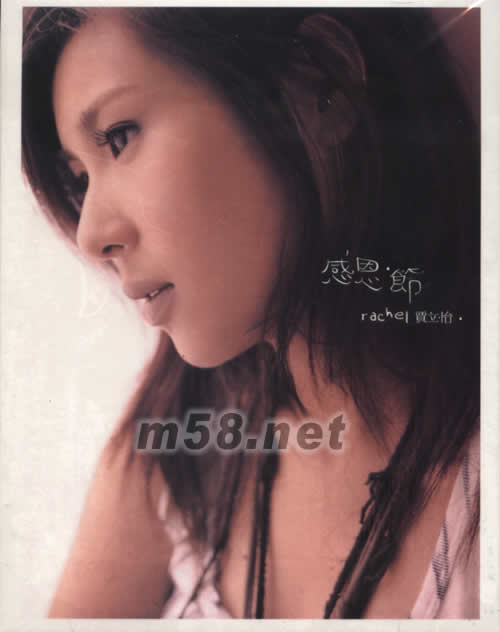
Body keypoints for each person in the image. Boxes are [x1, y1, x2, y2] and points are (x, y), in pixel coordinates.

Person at [22, 6, 480, 619]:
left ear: (317, 83)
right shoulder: (172, 448)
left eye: (120, 137)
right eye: (80, 179)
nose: (90, 234)